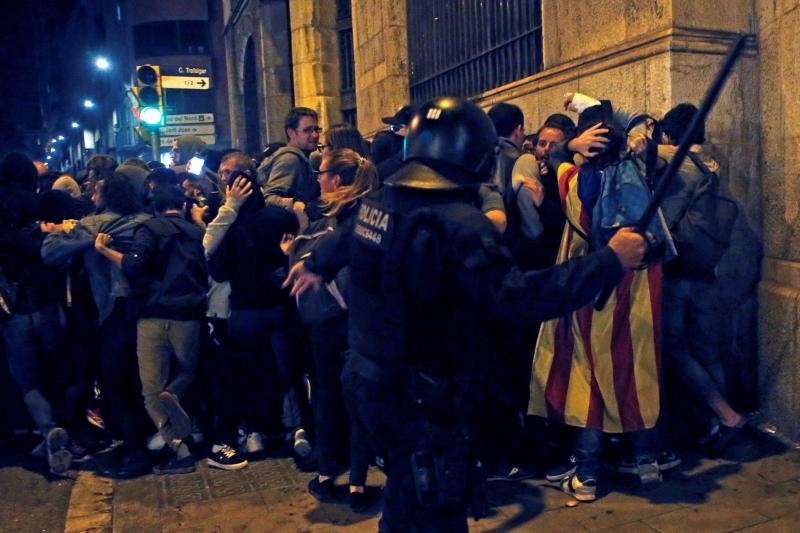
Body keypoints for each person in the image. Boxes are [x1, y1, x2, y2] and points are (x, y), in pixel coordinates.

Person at [284, 97, 646, 530]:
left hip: (370, 381)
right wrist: (609, 260)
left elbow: (346, 239)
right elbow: (517, 297)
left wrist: (315, 262)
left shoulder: (382, 200)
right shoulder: (461, 223)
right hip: (425, 396)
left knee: (405, 494)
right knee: (436, 508)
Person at [529, 96, 664, 502]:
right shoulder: (640, 174)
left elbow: (553, 154)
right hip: (636, 288)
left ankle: (587, 474)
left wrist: (570, 144)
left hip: (590, 287)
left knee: (585, 377)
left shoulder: (571, 179)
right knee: (635, 371)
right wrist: (636, 137)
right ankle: (646, 461)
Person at [42, 172, 153, 475]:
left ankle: (135, 449)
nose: (92, 196)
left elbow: (49, 251)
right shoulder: (146, 220)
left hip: (113, 313)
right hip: (150, 311)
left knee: (117, 382)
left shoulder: (93, 225)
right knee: (147, 382)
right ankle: (152, 441)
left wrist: (86, 242)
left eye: (97, 192)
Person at [94, 184, 208, 475]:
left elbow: (134, 265)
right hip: (188, 314)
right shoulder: (196, 232)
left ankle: (177, 449)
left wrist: (104, 249)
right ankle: (175, 394)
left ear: (155, 206)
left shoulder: (149, 228)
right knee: (187, 372)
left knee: (150, 390)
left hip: (152, 315)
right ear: (182, 205)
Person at [655, 103, 746, 450]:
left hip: (678, 271)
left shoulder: (679, 166)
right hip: (707, 270)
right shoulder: (711, 165)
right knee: (708, 352)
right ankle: (717, 426)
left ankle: (726, 416)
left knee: (676, 349)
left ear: (668, 134)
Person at [295, 149, 379, 513]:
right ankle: (358, 482)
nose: (318, 178)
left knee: (329, 396)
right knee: (356, 399)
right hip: (360, 322)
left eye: (322, 172)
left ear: (339, 180)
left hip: (337, 323)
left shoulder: (342, 220)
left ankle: (329, 474)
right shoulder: (369, 214)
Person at [207, 162, 302, 460]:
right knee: (287, 371)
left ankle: (256, 434)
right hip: (281, 306)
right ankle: (295, 429)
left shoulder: (233, 227)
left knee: (250, 372)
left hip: (245, 312)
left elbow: (219, 270)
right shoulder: (280, 217)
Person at [0, 153, 73, 474]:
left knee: (26, 379)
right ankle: (70, 429)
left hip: (12, 310)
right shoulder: (43, 205)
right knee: (57, 369)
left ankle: (48, 430)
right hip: (48, 305)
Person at [258, 107, 321, 224]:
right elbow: (269, 198)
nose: (315, 135)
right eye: (307, 130)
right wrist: (296, 205)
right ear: (291, 133)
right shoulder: (290, 160)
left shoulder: (301, 158)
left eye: (316, 129)